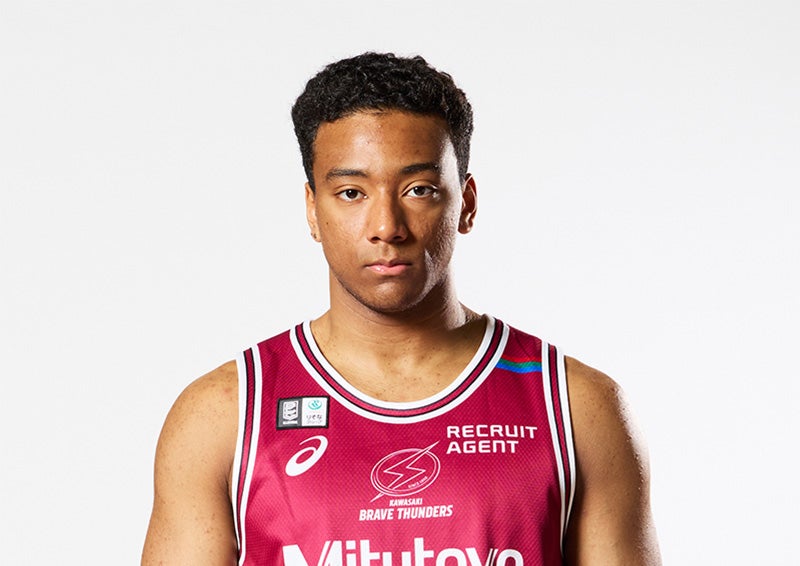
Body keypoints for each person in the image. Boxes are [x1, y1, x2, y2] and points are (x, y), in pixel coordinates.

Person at [142, 52, 661, 565]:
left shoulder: (576, 408)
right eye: (351, 192)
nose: (386, 226)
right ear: (312, 210)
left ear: (466, 203)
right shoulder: (223, 417)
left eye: (419, 189)